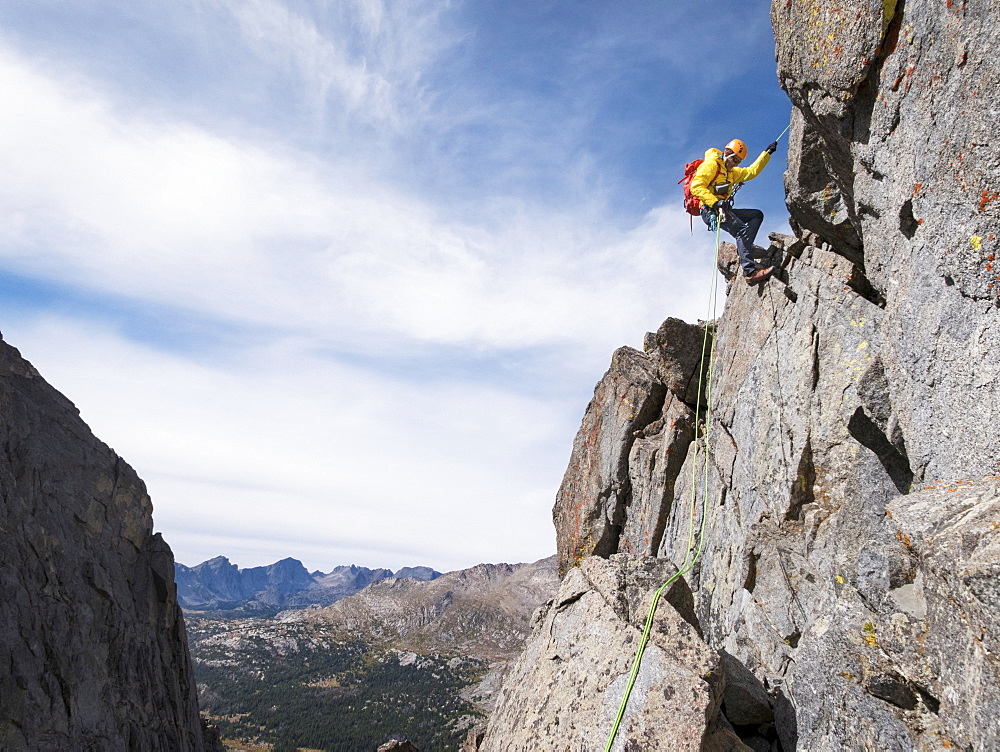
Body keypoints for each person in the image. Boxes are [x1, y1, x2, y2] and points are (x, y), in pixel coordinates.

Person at [690, 138, 778, 285]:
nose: (735, 164)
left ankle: (745, 248)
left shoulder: (732, 173)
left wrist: (766, 154)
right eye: (734, 160)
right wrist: (715, 202)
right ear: (726, 153)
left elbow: (751, 172)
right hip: (711, 210)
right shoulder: (712, 165)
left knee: (756, 215)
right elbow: (697, 186)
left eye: (738, 162)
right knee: (741, 231)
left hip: (722, 208)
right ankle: (750, 272)